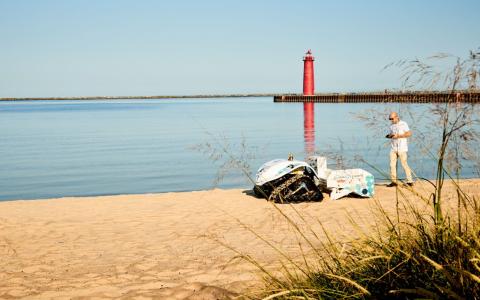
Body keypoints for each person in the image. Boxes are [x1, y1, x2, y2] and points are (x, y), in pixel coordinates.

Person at [386, 112, 414, 187]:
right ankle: (394, 182)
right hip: (393, 148)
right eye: (390, 119)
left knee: (404, 164)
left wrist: (398, 136)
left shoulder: (403, 124)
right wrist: (389, 136)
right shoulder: (391, 126)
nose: (391, 120)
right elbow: (392, 134)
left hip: (402, 148)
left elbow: (409, 134)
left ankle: (410, 181)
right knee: (392, 165)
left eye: (392, 118)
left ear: (396, 117)